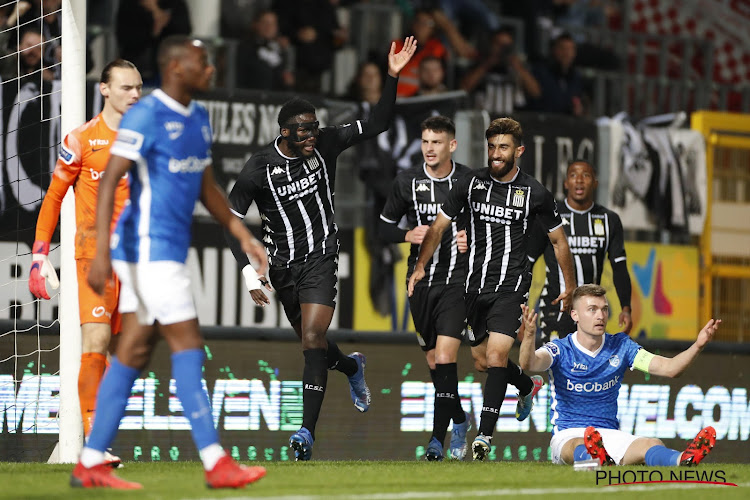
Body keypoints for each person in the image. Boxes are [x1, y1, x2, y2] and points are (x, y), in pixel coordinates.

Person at [71, 36, 268, 490]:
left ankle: (91, 459)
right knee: (188, 344)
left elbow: (207, 186)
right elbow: (109, 183)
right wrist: (99, 251)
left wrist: (241, 232)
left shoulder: (198, 117)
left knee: (134, 351)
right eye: (204, 62)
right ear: (178, 67)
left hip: (163, 253)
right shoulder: (146, 114)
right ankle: (216, 461)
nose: (212, 69)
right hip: (147, 251)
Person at [225, 37, 417, 461]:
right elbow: (230, 219)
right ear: (285, 133)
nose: (312, 135)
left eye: (314, 127)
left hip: (322, 257)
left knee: (313, 336)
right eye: (303, 130)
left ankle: (305, 435)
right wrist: (248, 271)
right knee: (315, 346)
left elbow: (381, 121)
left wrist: (392, 75)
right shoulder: (259, 169)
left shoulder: (327, 142)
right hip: (281, 266)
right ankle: (351, 366)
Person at [407, 117, 576, 461]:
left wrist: (570, 285)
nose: (496, 154)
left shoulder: (534, 192)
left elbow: (558, 241)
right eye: (492, 147)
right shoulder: (470, 184)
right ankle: (526, 385)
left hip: (511, 287)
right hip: (473, 287)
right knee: (483, 362)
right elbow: (439, 227)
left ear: (519, 151)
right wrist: (421, 265)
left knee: (497, 355)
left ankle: (483, 436)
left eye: (503, 147)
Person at [29, 59, 142, 466]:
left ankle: (100, 434)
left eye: (138, 87)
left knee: (123, 351)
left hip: (134, 261)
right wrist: (40, 253)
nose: (134, 94)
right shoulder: (81, 140)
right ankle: (93, 444)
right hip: (93, 255)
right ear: (106, 89)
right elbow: (54, 196)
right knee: (94, 343)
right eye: (126, 87)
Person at [518, 284, 718, 467]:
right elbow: (530, 363)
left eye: (604, 309)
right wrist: (528, 336)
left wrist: (698, 345)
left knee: (651, 443)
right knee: (578, 444)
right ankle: (591, 460)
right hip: (569, 435)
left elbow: (670, 368)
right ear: (575, 315)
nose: (601, 316)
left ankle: (683, 459)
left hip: (608, 434)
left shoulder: (621, 346)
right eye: (592, 309)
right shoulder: (561, 349)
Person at [379, 116, 471, 461]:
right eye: (425, 141)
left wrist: (469, 236)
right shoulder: (406, 182)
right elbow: (384, 228)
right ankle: (459, 420)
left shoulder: (468, 181)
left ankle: (436, 441)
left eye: (436, 142)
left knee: (446, 357)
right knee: (435, 364)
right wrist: (406, 234)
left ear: (452, 145)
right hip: (420, 282)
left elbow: (488, 223)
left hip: (457, 281)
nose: (429, 149)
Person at [527, 159, 632, 340]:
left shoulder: (609, 220)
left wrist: (626, 308)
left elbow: (619, 267)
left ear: (595, 183)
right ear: (566, 183)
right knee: (555, 365)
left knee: (587, 366)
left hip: (592, 310)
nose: (580, 180)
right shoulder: (549, 216)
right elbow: (525, 263)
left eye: (586, 175)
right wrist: (519, 310)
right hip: (555, 308)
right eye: (573, 175)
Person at [459, 27, 541, 116]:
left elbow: (535, 93)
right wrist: (487, 64)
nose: (503, 49)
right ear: (490, 44)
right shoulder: (477, 66)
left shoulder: (518, 69)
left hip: (510, 122)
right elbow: (463, 89)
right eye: (498, 44)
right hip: (484, 121)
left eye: (507, 46)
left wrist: (518, 68)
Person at [527, 32, 584, 116]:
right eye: (562, 48)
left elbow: (579, 103)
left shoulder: (576, 77)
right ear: (554, 50)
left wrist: (579, 109)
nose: (566, 53)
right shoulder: (541, 71)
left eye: (570, 49)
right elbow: (535, 94)